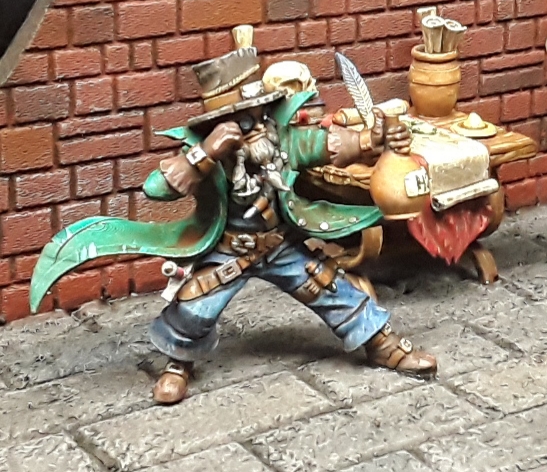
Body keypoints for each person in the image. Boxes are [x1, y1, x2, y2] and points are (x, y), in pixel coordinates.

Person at [31, 25, 436, 404]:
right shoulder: (208, 157)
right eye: (245, 120)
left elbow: (331, 144)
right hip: (230, 251)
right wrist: (204, 154)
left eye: (262, 114)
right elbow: (157, 188)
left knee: (331, 287)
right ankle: (178, 363)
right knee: (194, 306)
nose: (257, 126)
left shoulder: (280, 141)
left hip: (280, 246)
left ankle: (382, 345)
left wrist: (375, 138)